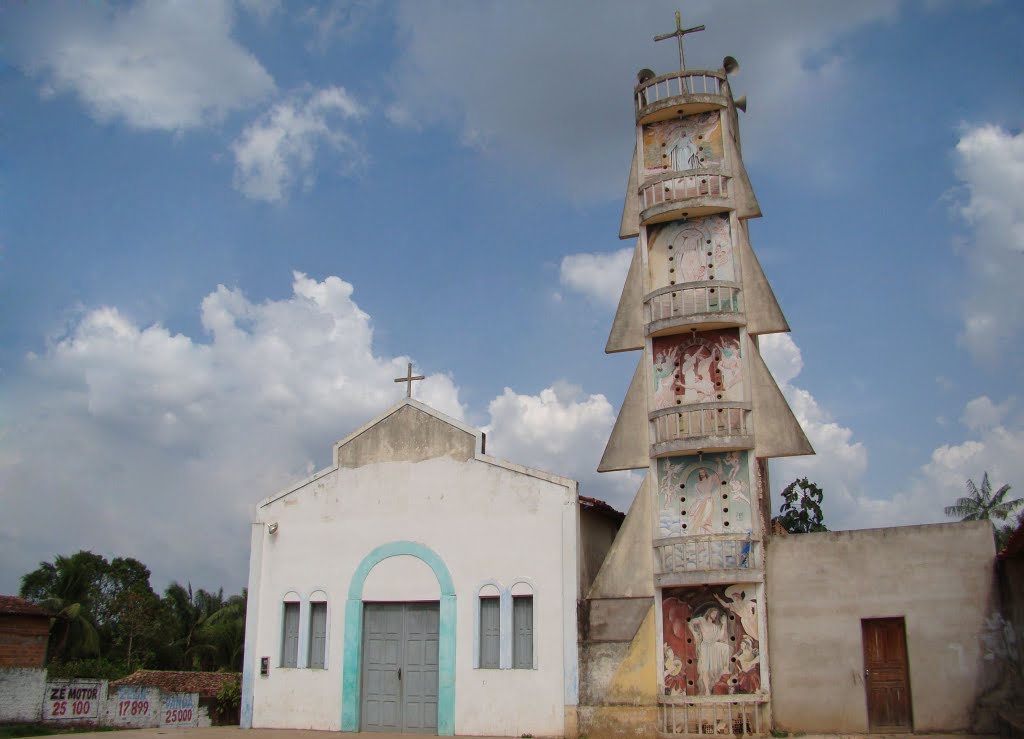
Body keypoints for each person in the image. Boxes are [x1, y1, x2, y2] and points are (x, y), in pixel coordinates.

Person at [689, 607, 731, 695]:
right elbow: (690, 622)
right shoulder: (701, 620)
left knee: (727, 648)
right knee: (705, 669)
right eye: (713, 613)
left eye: (716, 614)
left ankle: (725, 668)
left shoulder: (716, 626)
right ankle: (707, 690)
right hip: (705, 646)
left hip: (714, 646)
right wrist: (694, 633)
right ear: (709, 612)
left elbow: (721, 638)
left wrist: (724, 624)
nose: (715, 615)